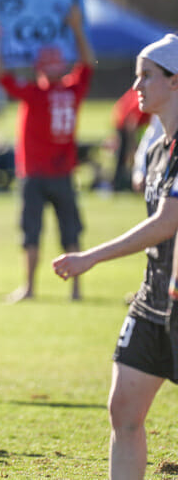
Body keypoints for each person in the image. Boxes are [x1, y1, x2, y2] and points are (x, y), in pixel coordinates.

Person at [52, 34, 178, 480]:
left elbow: (168, 222)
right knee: (123, 409)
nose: (136, 85)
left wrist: (90, 258)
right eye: (136, 74)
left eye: (147, 75)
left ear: (175, 81)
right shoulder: (158, 146)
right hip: (153, 298)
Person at [0, 4, 94, 303]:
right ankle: (70, 290)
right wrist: (76, 27)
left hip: (39, 173)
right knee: (66, 232)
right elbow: (87, 63)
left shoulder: (36, 92)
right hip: (54, 172)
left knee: (38, 232)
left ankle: (35, 288)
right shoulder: (70, 89)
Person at [111, 87, 151, 191]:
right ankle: (118, 184)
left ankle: (121, 182)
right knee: (124, 155)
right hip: (124, 125)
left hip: (123, 121)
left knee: (126, 155)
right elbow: (131, 123)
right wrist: (131, 147)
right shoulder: (147, 98)